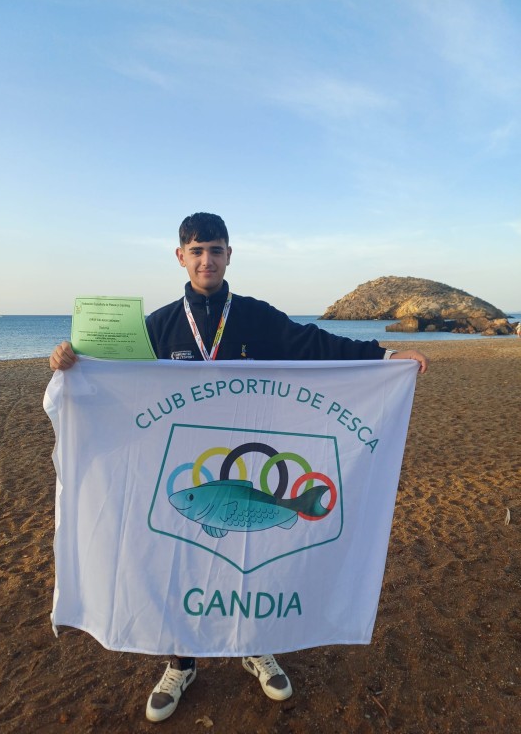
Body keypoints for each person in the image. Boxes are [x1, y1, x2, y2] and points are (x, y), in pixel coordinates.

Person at [50, 212, 428, 722]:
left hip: (251, 463)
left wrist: (383, 356)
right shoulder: (158, 326)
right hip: (192, 471)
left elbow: (313, 345)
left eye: (217, 250)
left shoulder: (254, 316)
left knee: (257, 553)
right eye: (197, 250)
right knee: (180, 561)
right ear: (180, 256)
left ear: (230, 255)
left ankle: (257, 645)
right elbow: (112, 378)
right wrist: (72, 361)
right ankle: (181, 662)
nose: (207, 259)